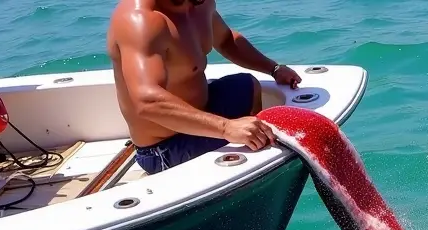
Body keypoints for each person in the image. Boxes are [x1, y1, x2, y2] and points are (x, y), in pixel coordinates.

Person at [107, 0, 302, 175]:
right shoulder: (140, 20)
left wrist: (274, 69)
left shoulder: (201, 4)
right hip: (165, 148)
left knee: (247, 86)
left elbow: (226, 40)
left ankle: (256, 158)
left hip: (203, 113)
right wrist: (227, 128)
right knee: (267, 140)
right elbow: (147, 101)